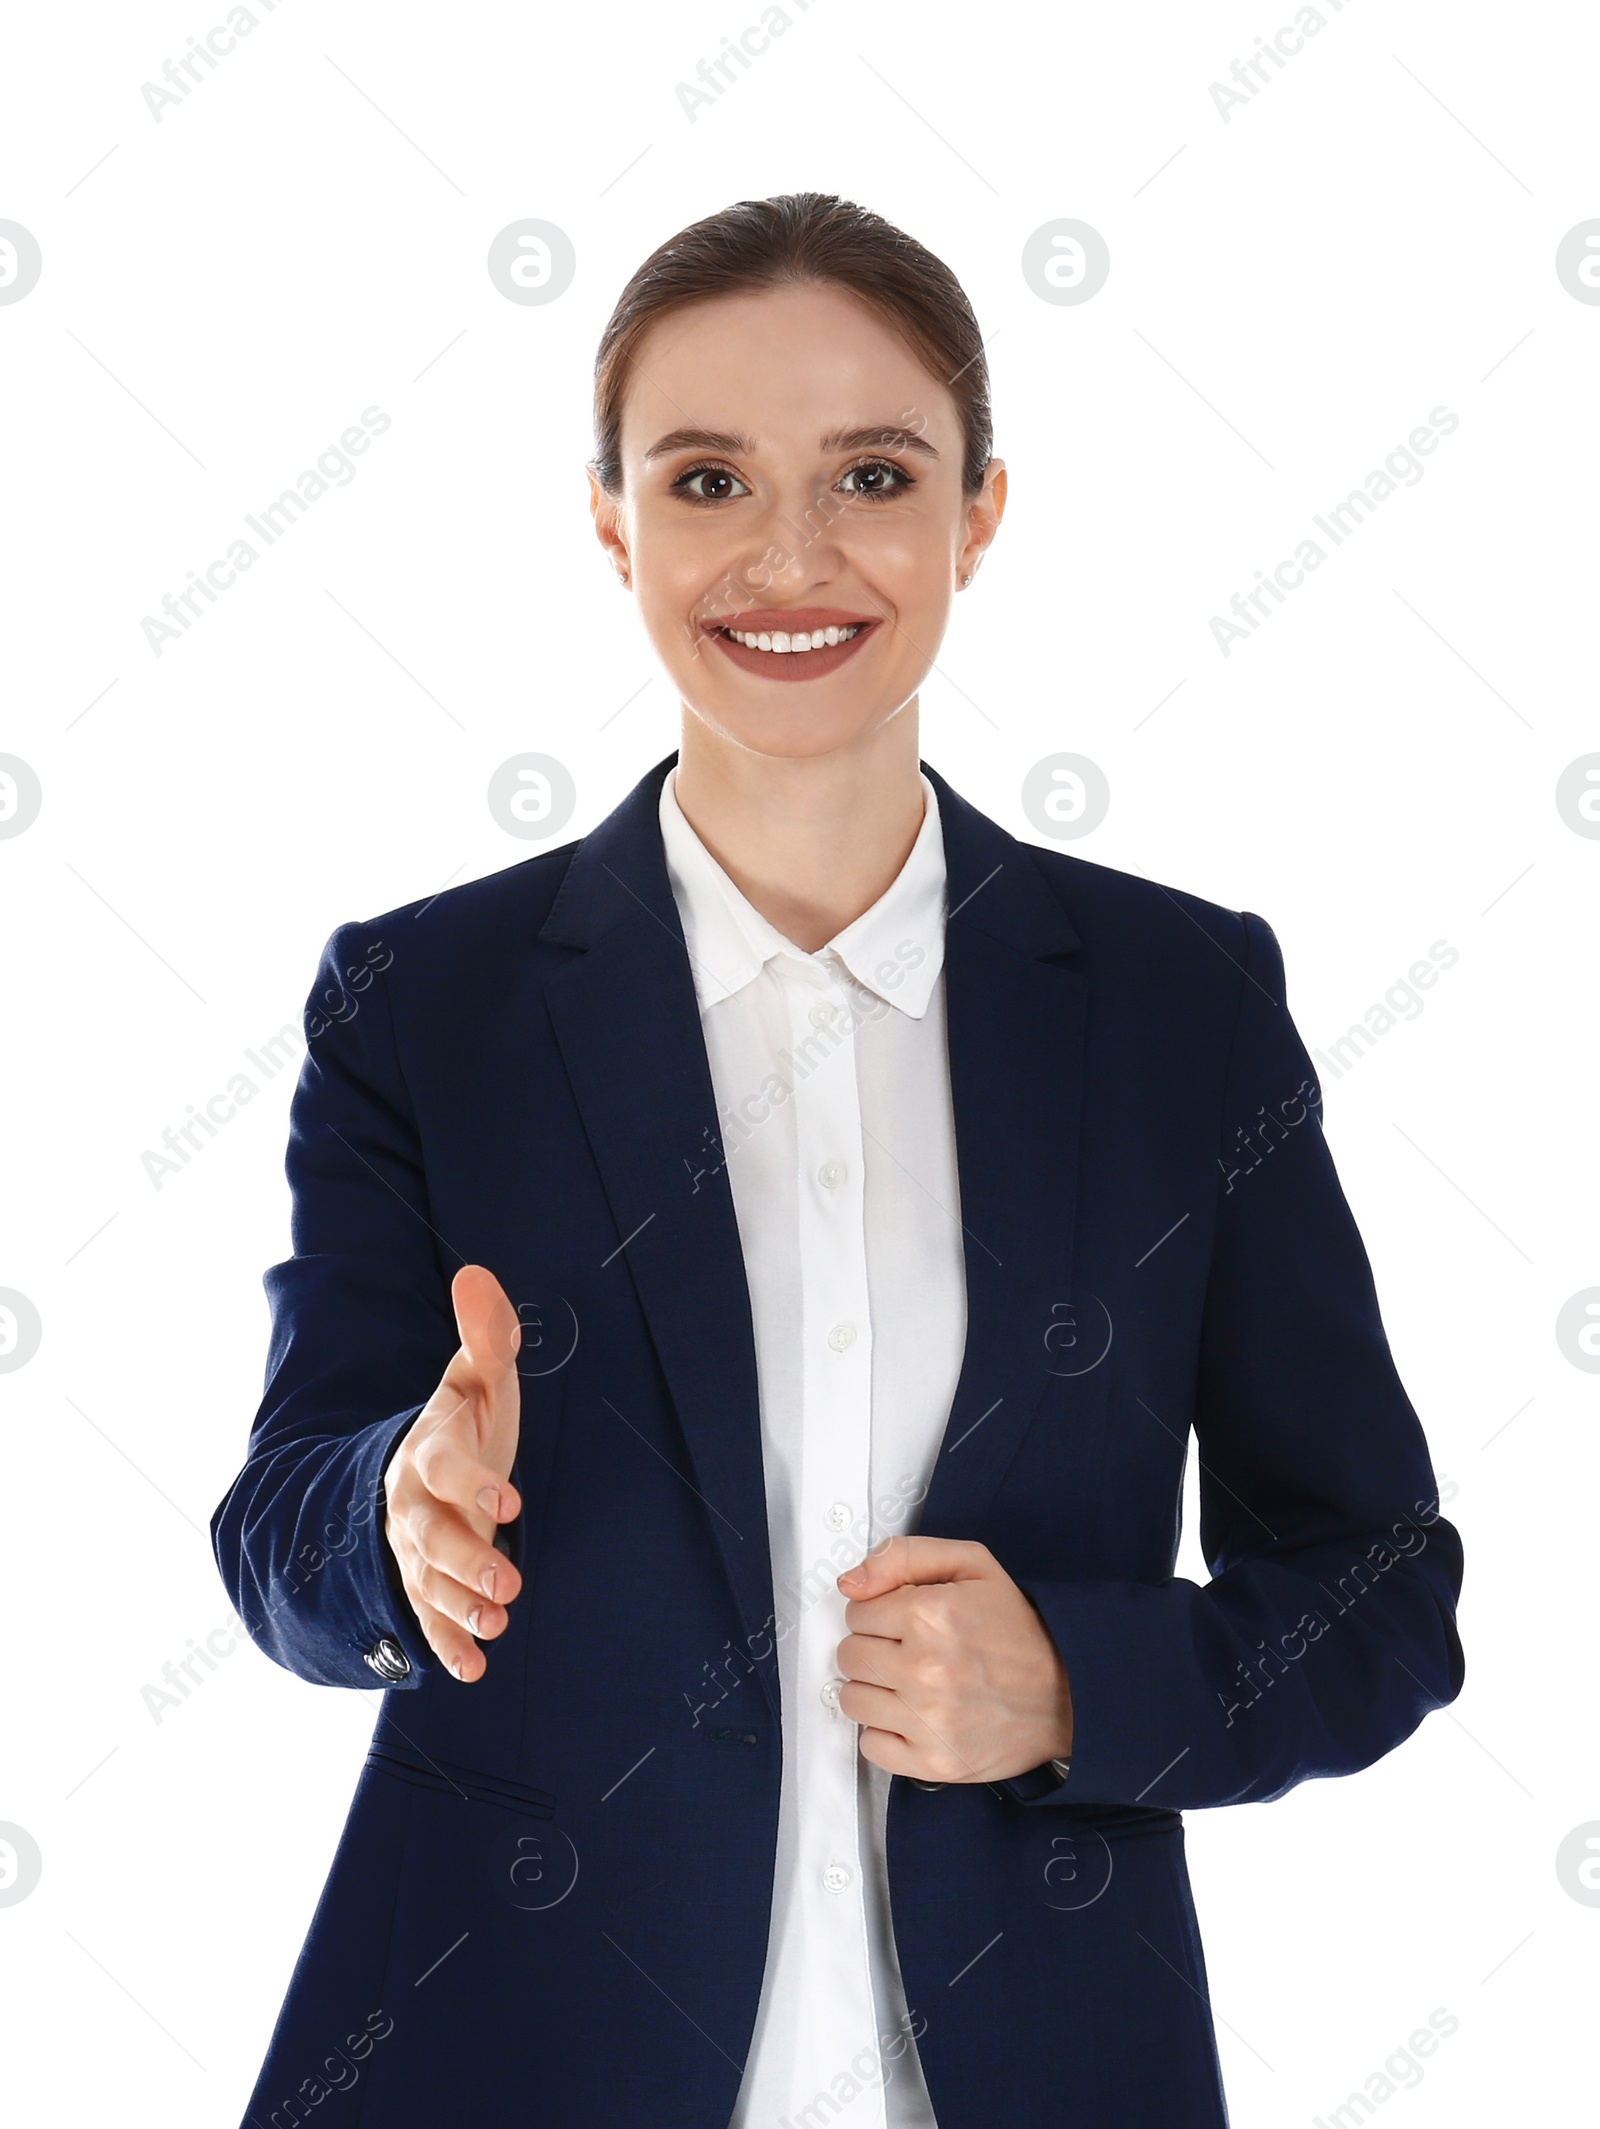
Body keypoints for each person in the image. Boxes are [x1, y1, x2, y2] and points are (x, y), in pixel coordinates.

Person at [213, 192, 1464, 2129]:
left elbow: (1375, 1592)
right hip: (508, 2057)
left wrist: (1077, 1685)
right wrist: (395, 1511)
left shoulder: (1176, 1005)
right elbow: (276, 1529)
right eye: (705, 479)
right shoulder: (422, 1002)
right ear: (610, 522)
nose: (785, 555)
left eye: (869, 474)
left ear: (976, 510)